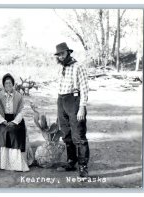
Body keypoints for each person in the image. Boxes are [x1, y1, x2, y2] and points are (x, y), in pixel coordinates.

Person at [54, 42, 90, 177]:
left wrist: (82, 108)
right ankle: (71, 161)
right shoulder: (59, 68)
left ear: (68, 52)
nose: (61, 57)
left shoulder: (78, 66)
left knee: (79, 135)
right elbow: (60, 87)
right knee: (66, 134)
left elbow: (85, 88)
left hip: (74, 101)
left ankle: (83, 166)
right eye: (58, 55)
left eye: (62, 54)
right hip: (61, 100)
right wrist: (59, 106)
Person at [0, 73, 34, 172]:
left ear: (13, 84)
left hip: (16, 119)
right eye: (6, 83)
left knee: (14, 132)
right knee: (0, 132)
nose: (8, 85)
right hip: (3, 119)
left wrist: (14, 122)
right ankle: (0, 163)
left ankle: (15, 165)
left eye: (10, 83)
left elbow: (22, 111)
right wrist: (3, 121)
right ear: (3, 85)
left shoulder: (18, 96)